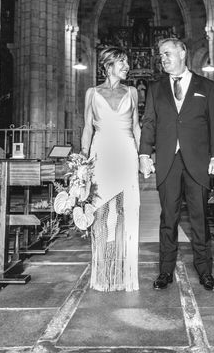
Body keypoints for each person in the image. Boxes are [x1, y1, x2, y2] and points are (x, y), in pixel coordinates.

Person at [139, 38, 214, 291]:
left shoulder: (206, 86)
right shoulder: (155, 88)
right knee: (168, 219)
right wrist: (144, 154)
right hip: (168, 161)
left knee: (200, 219)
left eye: (167, 53)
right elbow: (149, 123)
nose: (162, 58)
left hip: (197, 161)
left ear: (182, 52)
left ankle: (205, 271)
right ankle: (165, 271)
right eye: (160, 55)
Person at [81, 46, 141, 291]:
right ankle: (102, 272)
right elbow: (87, 127)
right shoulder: (92, 93)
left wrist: (143, 155)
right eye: (122, 62)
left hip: (126, 152)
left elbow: (136, 127)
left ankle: (123, 273)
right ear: (107, 66)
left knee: (125, 211)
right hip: (101, 152)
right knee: (101, 212)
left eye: (127, 62)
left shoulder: (133, 92)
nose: (127, 66)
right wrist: (83, 162)